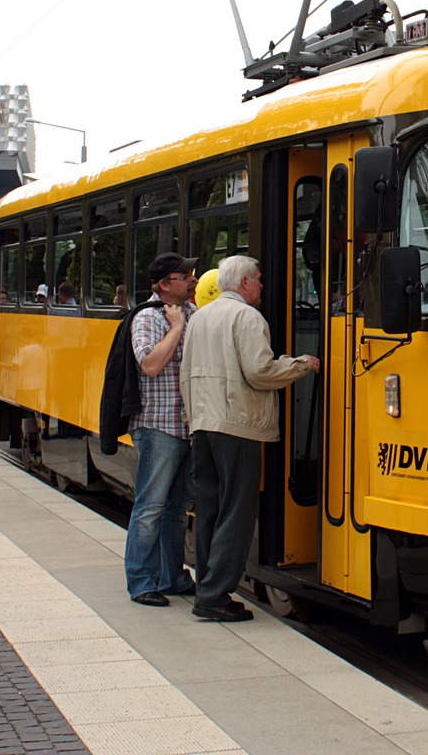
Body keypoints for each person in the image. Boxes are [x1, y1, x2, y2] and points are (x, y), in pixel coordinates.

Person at [181, 255, 318, 622]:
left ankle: (204, 587)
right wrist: (301, 364)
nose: (261, 286)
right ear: (243, 283)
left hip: (204, 424)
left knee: (209, 507)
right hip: (236, 425)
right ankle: (214, 595)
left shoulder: (200, 317)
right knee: (237, 511)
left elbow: (185, 374)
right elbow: (260, 372)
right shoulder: (248, 318)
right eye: (258, 280)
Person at [123, 253, 199, 608]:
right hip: (158, 425)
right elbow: (150, 365)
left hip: (187, 425)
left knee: (177, 508)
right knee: (150, 507)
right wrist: (177, 329)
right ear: (164, 284)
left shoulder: (191, 312)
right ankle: (141, 581)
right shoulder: (148, 318)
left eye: (192, 273)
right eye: (184, 275)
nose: (193, 279)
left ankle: (174, 576)